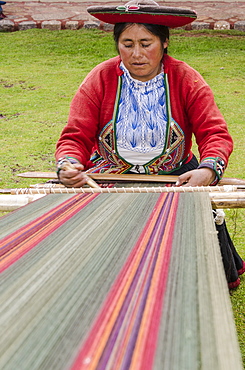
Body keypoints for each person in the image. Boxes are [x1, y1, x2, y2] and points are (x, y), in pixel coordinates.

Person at [55, 0, 245, 288]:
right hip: (109, 178)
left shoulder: (186, 79)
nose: (137, 54)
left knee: (187, 272)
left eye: (146, 43)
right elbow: (74, 136)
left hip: (177, 178)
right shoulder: (100, 78)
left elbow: (214, 134)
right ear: (117, 45)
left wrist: (207, 172)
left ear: (165, 42)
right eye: (127, 44)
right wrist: (68, 163)